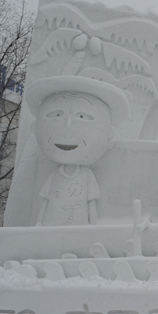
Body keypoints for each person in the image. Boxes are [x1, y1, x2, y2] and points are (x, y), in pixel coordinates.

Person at [26, 76, 130, 226]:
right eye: (56, 114)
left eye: (82, 116)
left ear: (109, 133)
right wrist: (39, 221)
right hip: (51, 224)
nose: (68, 125)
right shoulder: (55, 175)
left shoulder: (86, 176)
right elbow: (45, 200)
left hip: (79, 224)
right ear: (35, 127)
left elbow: (91, 202)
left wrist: (93, 224)